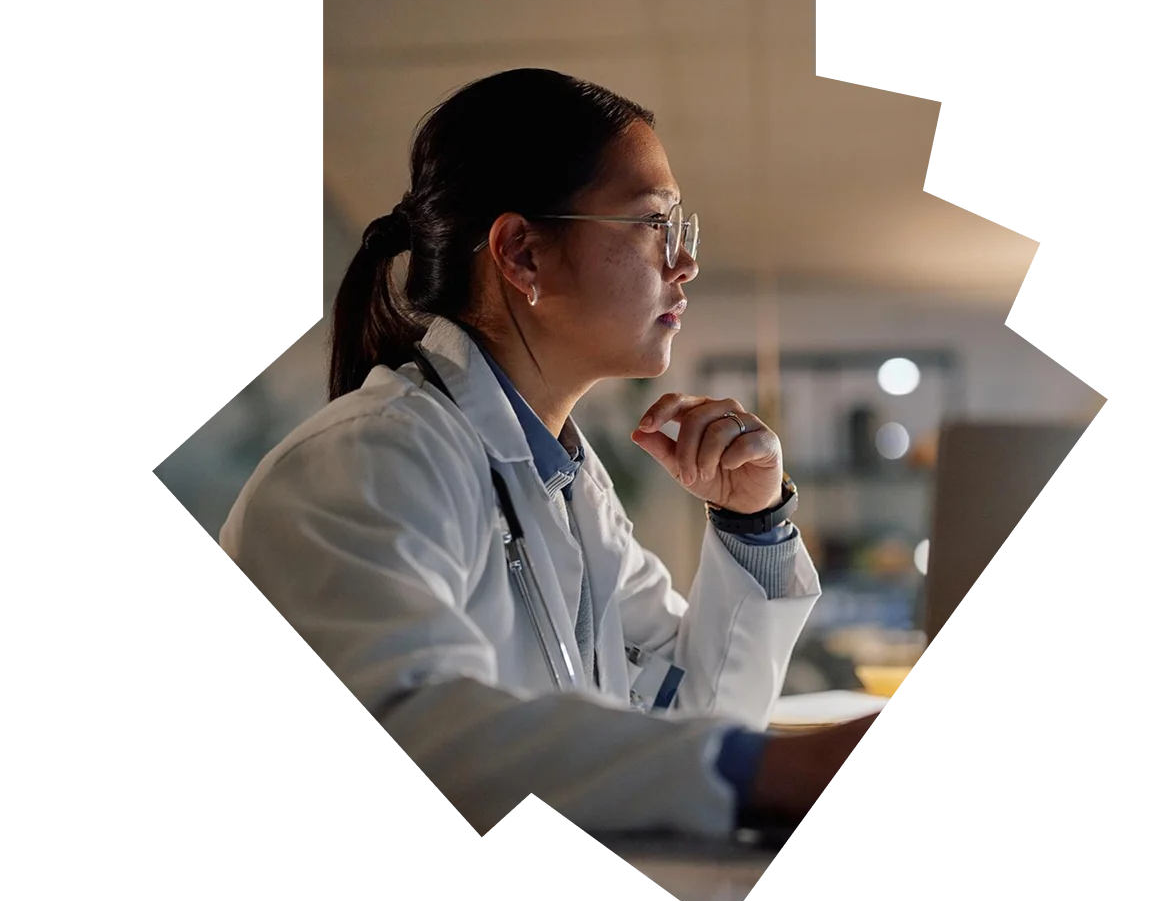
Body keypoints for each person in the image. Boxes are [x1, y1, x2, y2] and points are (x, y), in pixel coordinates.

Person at [220, 67, 883, 840]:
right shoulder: (369, 462)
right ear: (522, 254)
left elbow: (695, 716)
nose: (684, 263)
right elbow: (408, 726)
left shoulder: (567, 488)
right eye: (654, 224)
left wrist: (754, 523)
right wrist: (779, 770)